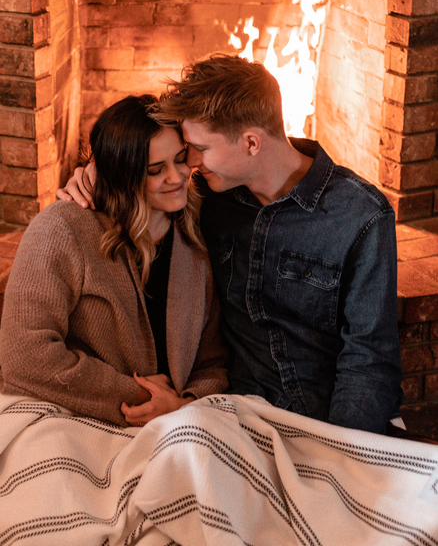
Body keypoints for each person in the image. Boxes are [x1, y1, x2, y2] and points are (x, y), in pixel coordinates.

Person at [58, 54, 403, 435]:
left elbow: (369, 359)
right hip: (230, 414)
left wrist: (343, 455)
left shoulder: (360, 216)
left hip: (321, 421)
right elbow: (138, 159)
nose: (189, 161)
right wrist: (98, 173)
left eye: (198, 148)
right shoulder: (206, 196)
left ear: (251, 142)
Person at [0, 94, 228, 427]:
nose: (177, 177)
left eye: (180, 159)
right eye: (154, 170)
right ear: (122, 176)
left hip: (177, 423)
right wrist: (140, 398)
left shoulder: (194, 243)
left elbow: (213, 364)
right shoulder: (62, 228)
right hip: (72, 418)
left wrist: (183, 405)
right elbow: (25, 356)